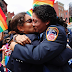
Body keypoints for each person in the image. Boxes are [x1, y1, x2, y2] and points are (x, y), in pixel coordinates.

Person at [10, 5, 72, 72]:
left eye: (35, 21)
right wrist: (15, 37)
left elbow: (38, 55)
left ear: (47, 21)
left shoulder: (53, 30)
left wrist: (15, 46)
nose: (33, 24)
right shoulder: (36, 33)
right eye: (30, 21)